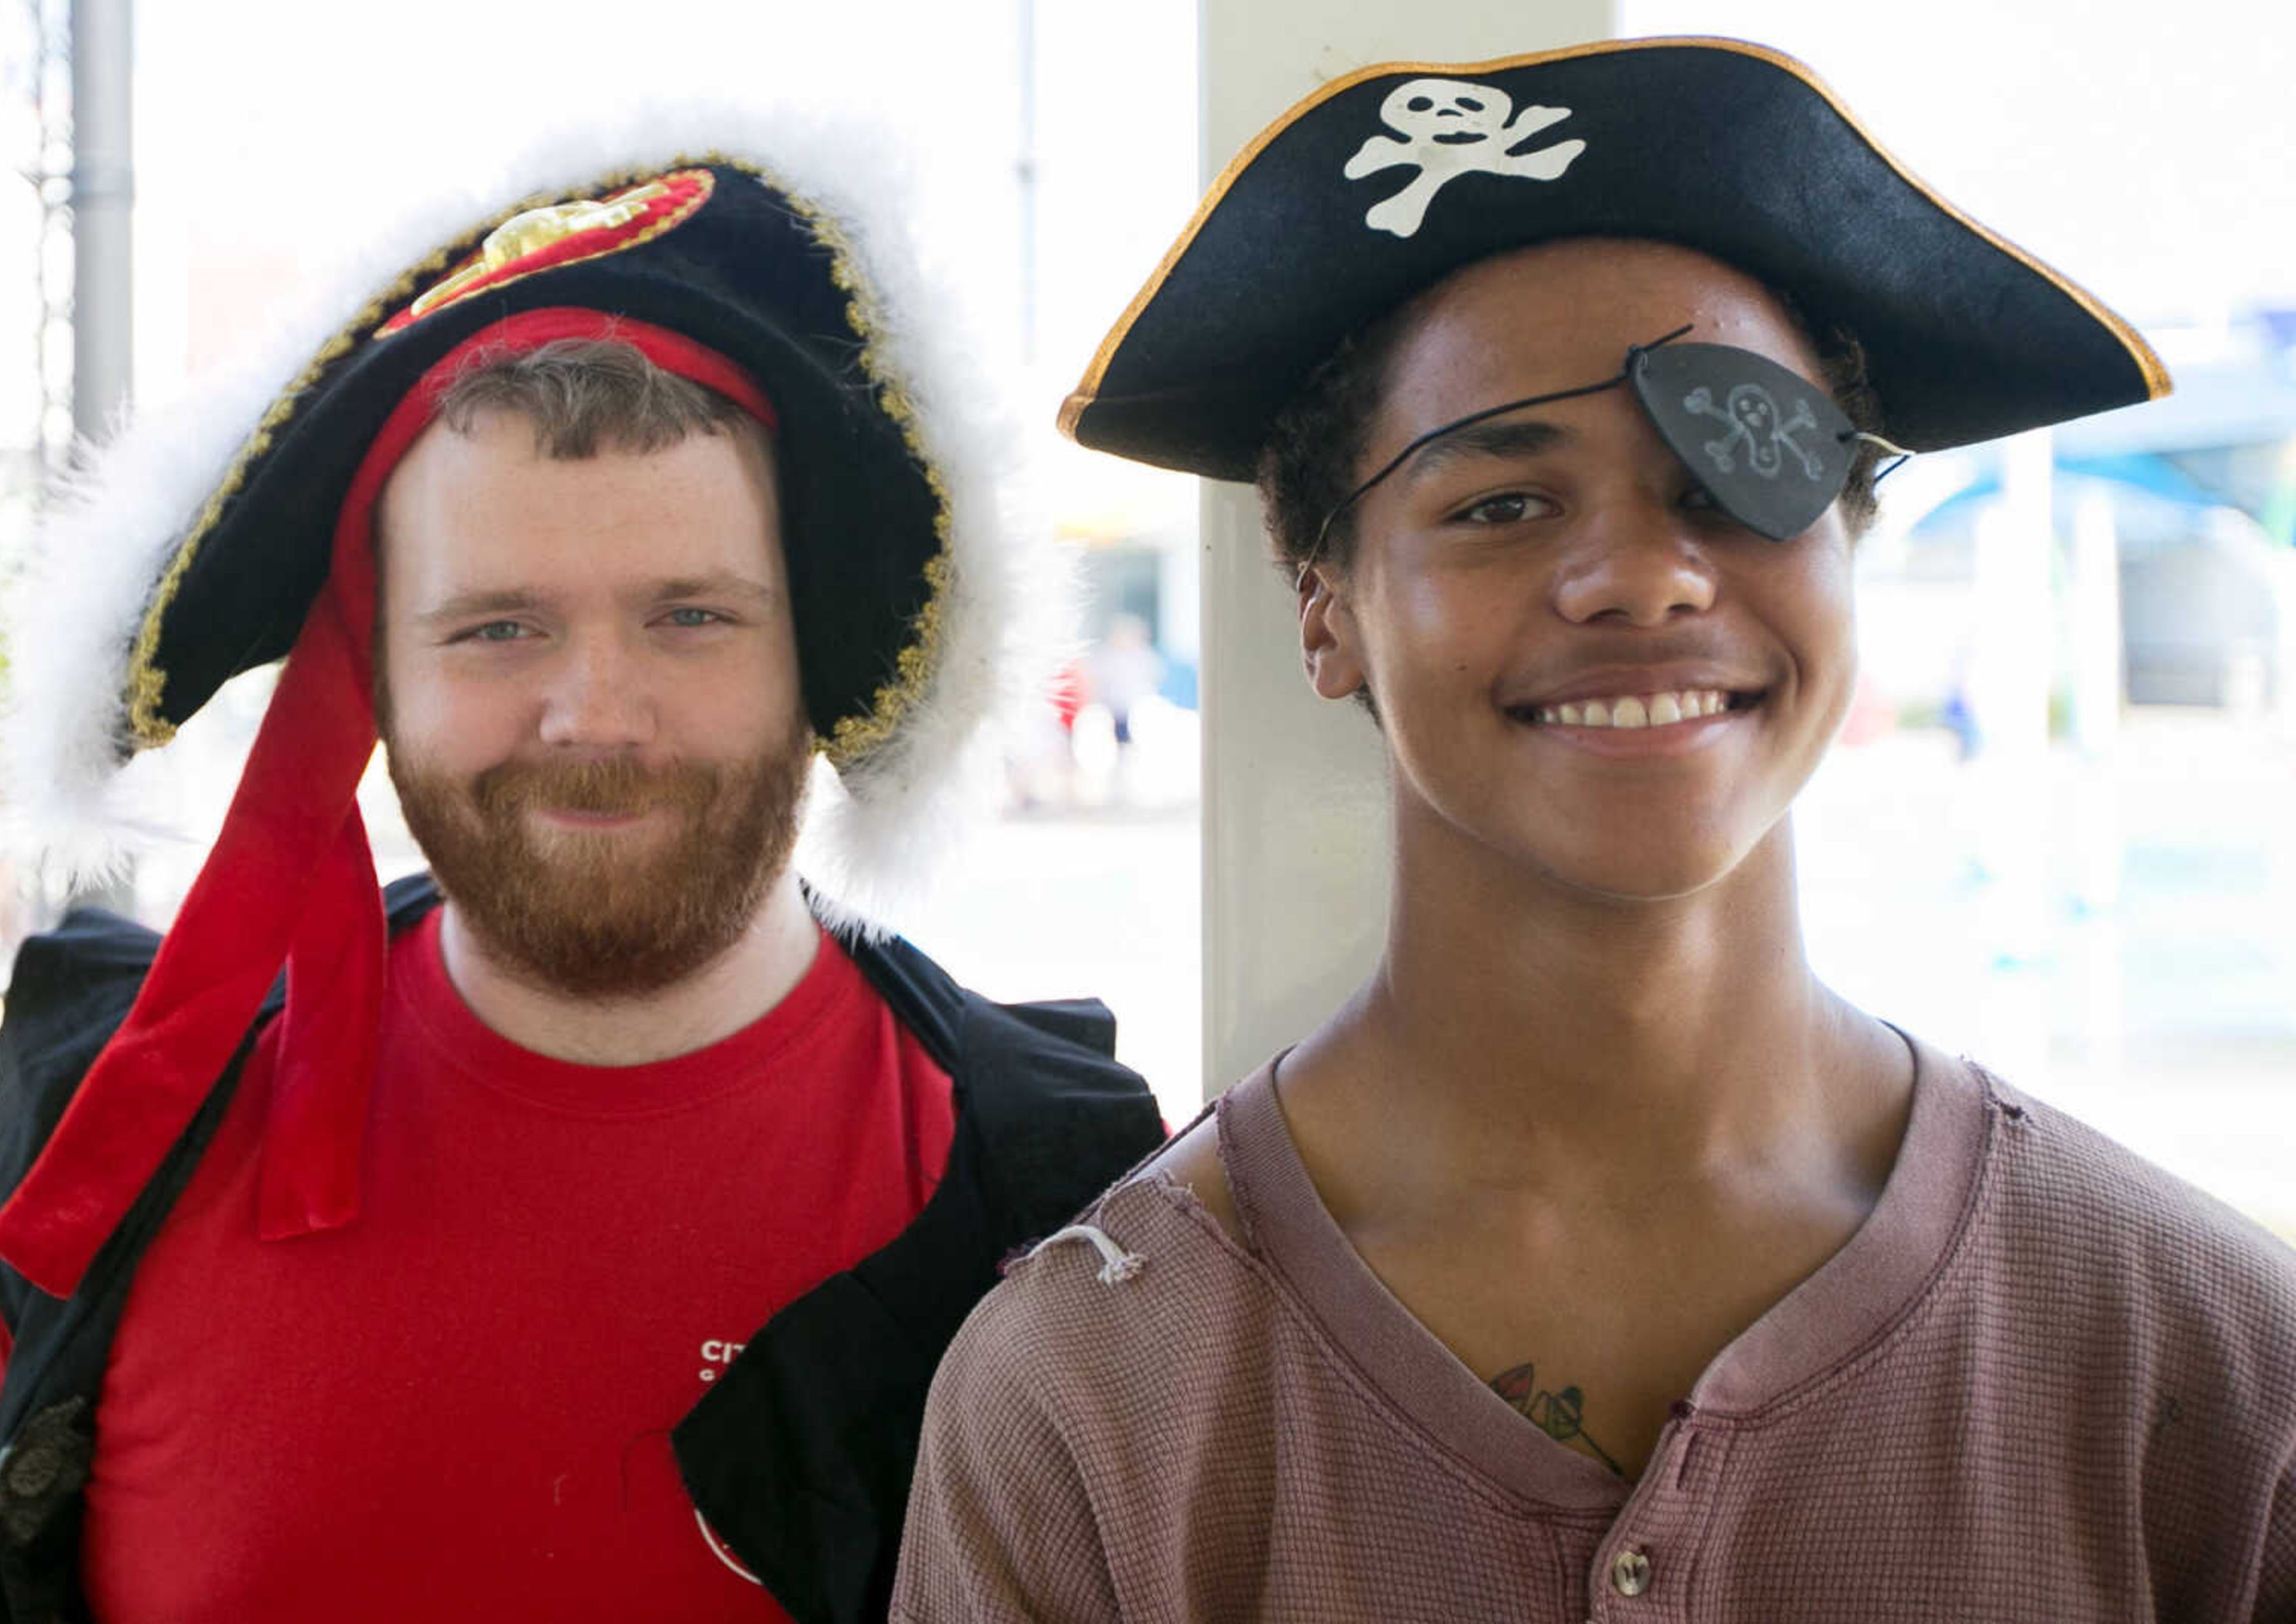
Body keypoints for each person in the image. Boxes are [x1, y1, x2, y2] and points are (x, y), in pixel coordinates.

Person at [895, 38, 2296, 1622]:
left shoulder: (2205, 1376)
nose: (1644, 577)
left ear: (1850, 542)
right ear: (1327, 611)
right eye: (1501, 503)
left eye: (1734, 478)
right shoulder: (1094, 1411)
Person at [0, 135, 1162, 1624]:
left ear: (817, 658)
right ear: (373, 675)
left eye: (690, 616)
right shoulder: (106, 1130)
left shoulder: (1075, 1212)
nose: (595, 711)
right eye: (497, 628)